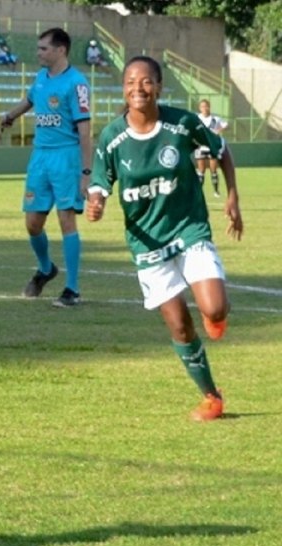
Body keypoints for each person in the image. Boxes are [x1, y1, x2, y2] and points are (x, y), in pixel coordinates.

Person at [86, 56, 243, 421]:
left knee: (215, 308)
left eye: (145, 81)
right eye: (130, 82)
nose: (137, 88)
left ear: (158, 87)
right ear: (123, 89)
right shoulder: (112, 137)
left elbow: (221, 152)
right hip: (147, 243)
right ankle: (211, 396)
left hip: (189, 229)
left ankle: (215, 315)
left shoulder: (182, 123)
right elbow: (99, 183)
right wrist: (95, 203)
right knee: (178, 325)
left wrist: (233, 197)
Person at [0, 27, 91, 308]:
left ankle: (72, 289)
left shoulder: (76, 83)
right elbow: (30, 100)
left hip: (66, 158)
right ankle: (46, 268)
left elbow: (85, 132)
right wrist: (10, 116)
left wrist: (86, 173)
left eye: (43, 48)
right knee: (33, 224)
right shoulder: (40, 78)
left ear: (60, 50)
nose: (38, 53)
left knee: (66, 222)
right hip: (40, 158)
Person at [194, 99, 229, 197]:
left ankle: (216, 191)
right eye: (202, 106)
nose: (204, 108)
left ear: (209, 107)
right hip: (200, 147)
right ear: (199, 108)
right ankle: (199, 192)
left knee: (213, 169)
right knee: (201, 170)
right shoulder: (197, 118)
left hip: (212, 147)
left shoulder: (215, 119)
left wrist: (219, 130)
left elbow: (226, 125)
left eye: (206, 106)